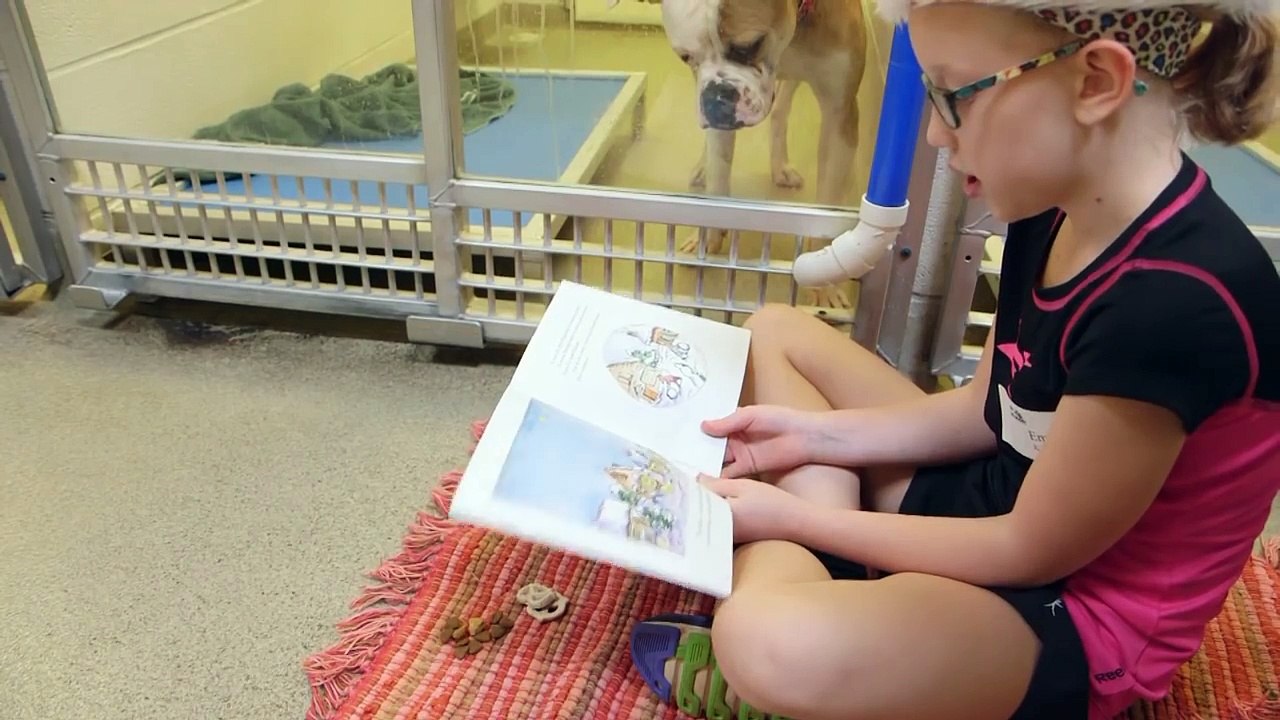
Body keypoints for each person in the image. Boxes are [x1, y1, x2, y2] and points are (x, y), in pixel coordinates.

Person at [627, 1, 1280, 718]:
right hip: (1000, 494)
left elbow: (1029, 551)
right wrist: (813, 436)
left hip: (1065, 607)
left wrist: (794, 518)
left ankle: (804, 610)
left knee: (764, 640)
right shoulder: (1055, 205)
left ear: (1096, 82)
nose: (937, 133)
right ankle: (834, 592)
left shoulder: (1174, 300)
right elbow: (985, 409)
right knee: (775, 331)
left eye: (953, 93)